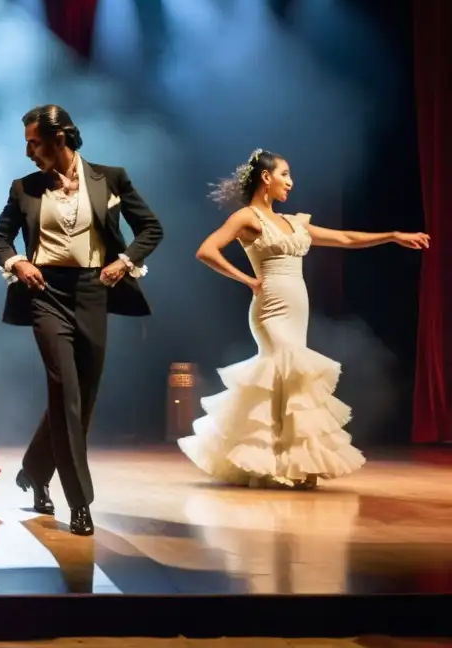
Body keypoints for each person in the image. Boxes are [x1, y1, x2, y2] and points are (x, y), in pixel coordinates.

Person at [178, 148, 429, 488]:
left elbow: (345, 238)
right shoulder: (248, 217)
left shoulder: (296, 223)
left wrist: (392, 236)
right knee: (283, 369)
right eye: (285, 174)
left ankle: (292, 463)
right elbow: (206, 250)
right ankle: (266, 464)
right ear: (266, 177)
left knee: (289, 381)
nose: (290, 182)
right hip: (269, 310)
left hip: (297, 309)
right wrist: (248, 280)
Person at [0, 105, 163, 536]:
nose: (29, 151)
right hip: (44, 292)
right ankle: (79, 503)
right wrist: (16, 262)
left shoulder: (111, 177)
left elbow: (151, 229)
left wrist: (123, 262)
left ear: (60, 139)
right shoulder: (24, 187)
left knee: (81, 400)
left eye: (35, 142)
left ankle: (33, 468)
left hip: (92, 291)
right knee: (64, 390)